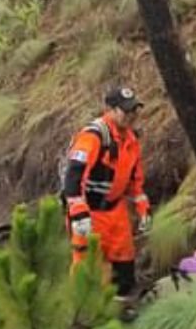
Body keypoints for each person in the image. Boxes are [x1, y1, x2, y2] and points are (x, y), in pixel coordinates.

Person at [62, 86, 151, 305]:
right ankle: (86, 320)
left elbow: (135, 183)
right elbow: (74, 176)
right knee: (88, 272)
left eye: (134, 111)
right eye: (126, 111)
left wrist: (143, 209)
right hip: (90, 214)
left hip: (115, 211)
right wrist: (78, 213)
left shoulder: (130, 141)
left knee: (124, 271)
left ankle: (122, 313)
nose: (131, 116)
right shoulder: (93, 136)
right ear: (110, 110)